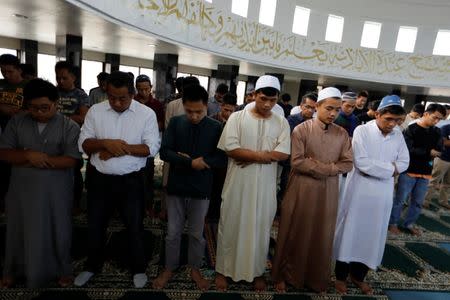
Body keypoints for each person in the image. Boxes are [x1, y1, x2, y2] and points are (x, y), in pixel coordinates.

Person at [74, 71, 160, 288]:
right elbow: (84, 143)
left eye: (122, 98)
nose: (117, 102)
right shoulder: (96, 110)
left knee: (134, 225)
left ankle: (138, 268)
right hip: (100, 180)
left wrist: (117, 149)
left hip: (131, 181)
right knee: (95, 225)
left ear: (132, 94)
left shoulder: (146, 114)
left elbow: (150, 148)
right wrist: (106, 143)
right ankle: (91, 266)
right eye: (112, 97)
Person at [0, 78, 81, 288]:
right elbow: (5, 153)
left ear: (56, 103)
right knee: (18, 229)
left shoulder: (68, 125)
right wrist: (27, 156)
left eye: (45, 108)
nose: (39, 113)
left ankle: (62, 271)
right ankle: (14, 271)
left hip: (56, 190)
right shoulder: (17, 122)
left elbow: (72, 160)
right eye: (33, 108)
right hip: (22, 189)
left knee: (58, 229)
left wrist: (38, 159)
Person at [271, 87, 353, 293]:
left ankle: (314, 279)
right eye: (329, 108)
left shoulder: (342, 134)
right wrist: (330, 168)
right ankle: (284, 275)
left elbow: (348, 164)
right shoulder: (301, 130)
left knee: (321, 233)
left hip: (328, 192)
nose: (333, 113)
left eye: (337, 109)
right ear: (317, 106)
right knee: (295, 230)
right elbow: (297, 162)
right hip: (301, 188)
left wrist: (320, 166)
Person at [214, 75, 290, 292]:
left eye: (272, 100)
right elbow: (231, 148)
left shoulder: (281, 122)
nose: (267, 104)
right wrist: (265, 156)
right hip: (237, 184)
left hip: (265, 188)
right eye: (263, 98)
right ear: (253, 95)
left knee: (260, 229)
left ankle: (256, 272)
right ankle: (223, 270)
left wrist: (251, 156)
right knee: (230, 225)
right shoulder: (237, 117)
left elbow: (283, 153)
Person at [333, 95, 409, 295]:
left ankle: (358, 276)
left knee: (372, 236)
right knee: (350, 232)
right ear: (377, 114)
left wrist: (385, 168)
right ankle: (340, 276)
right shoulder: (362, 130)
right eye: (389, 119)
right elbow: (362, 163)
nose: (393, 124)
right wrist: (390, 169)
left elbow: (404, 163)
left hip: (383, 195)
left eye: (397, 121)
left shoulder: (398, 134)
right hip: (359, 191)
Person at [153, 84, 226, 291]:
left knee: (196, 233)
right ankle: (169, 267)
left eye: (199, 112)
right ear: (183, 106)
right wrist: (188, 162)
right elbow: (165, 152)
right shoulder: (176, 123)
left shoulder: (215, 127)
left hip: (201, 188)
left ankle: (195, 268)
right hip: (177, 185)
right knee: (173, 232)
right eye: (189, 111)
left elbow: (221, 158)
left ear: (207, 107)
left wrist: (202, 160)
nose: (194, 116)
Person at [389, 103, 446, 236]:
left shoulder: (437, 131)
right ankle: (393, 224)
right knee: (400, 200)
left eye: (439, 119)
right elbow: (407, 150)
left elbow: (439, 149)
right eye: (434, 117)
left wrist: (436, 151)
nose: (436, 121)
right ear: (426, 114)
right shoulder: (411, 129)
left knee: (418, 202)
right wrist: (428, 151)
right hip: (409, 170)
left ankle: (409, 224)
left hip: (425, 171)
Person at [55, 61, 89, 213]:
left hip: (72, 138)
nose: (60, 81)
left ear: (73, 77)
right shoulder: (52, 92)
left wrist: (57, 117)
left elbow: (83, 117)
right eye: (58, 78)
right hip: (52, 137)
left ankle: (75, 202)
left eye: (64, 78)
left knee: (74, 169)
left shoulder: (80, 95)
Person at [135, 74, 165, 216]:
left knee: (147, 178)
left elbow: (160, 124)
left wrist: (147, 127)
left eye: (146, 89)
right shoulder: (132, 102)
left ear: (151, 88)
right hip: (132, 144)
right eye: (140, 89)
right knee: (132, 178)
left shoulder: (157, 104)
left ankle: (148, 206)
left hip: (147, 146)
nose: (143, 92)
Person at [0, 54, 27, 213]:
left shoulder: (28, 86)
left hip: (21, 135)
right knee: (4, 169)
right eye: (3, 71)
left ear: (19, 70)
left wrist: (14, 111)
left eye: (10, 71)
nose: (6, 75)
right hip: (3, 134)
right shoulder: (1, 84)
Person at [208, 93, 237, 221]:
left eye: (232, 111)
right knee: (211, 188)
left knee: (223, 190)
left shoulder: (236, 123)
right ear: (221, 106)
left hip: (227, 162)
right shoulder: (212, 120)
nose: (229, 114)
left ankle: (218, 215)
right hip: (212, 159)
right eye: (226, 110)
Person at [423, 122, 450, 209]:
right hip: (443, 158)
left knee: (447, 183)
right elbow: (444, 142)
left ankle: (443, 201)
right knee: (434, 180)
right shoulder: (446, 128)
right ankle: (425, 200)